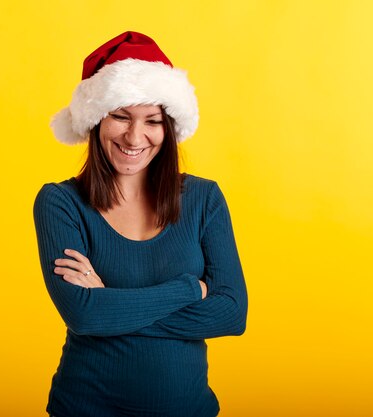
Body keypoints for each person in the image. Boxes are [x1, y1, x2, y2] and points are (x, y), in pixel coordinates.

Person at [33, 31, 248, 417]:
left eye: (152, 120)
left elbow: (232, 314)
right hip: (85, 407)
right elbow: (83, 315)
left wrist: (109, 306)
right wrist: (188, 289)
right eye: (120, 116)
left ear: (168, 129)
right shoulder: (60, 202)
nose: (135, 136)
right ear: (97, 120)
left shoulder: (203, 199)